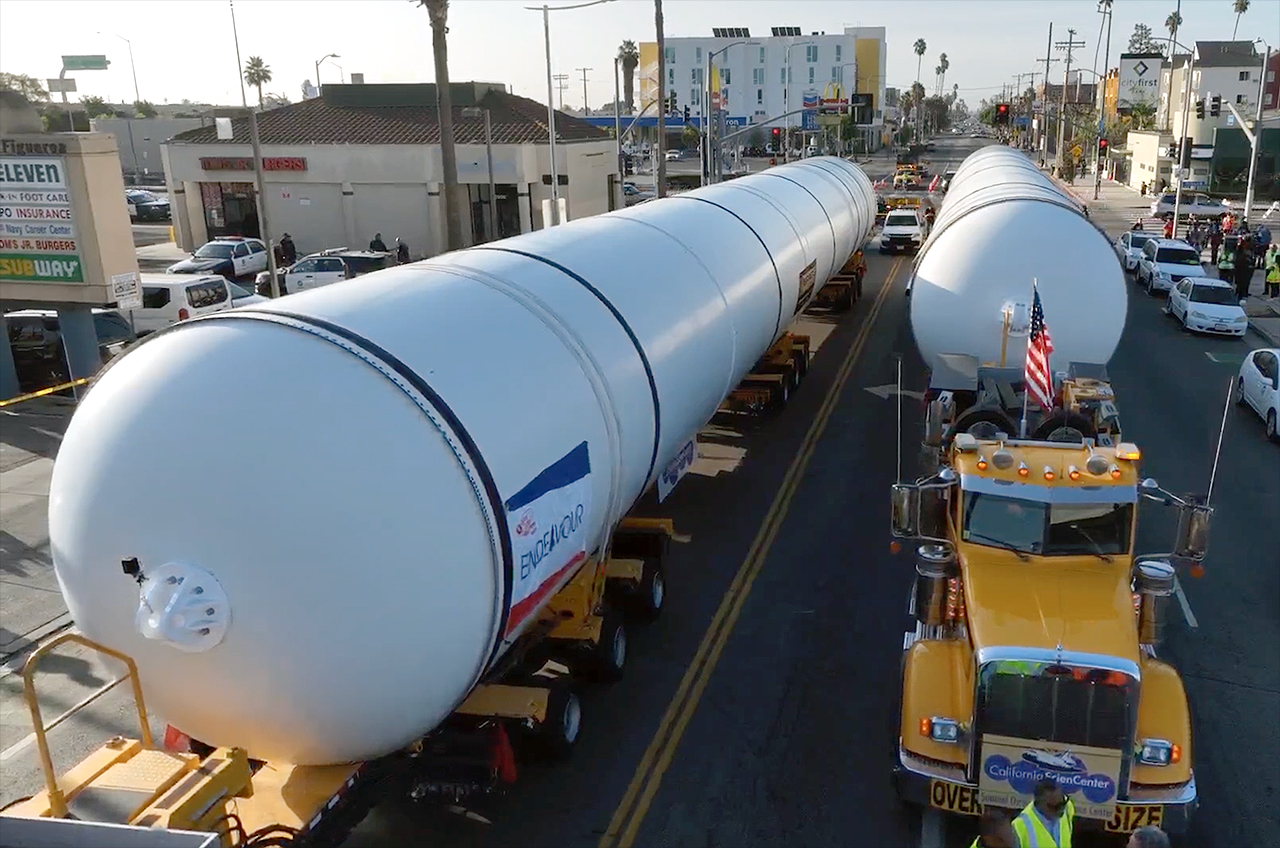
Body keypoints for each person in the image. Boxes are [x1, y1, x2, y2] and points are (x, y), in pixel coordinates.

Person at [1012, 777, 1074, 848]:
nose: (1060, 810)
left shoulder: (1067, 808)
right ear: (1040, 803)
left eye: (1062, 803)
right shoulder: (1020, 827)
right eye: (1055, 807)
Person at [1234, 235, 1256, 300]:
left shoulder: (1243, 248)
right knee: (1244, 281)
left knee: (1242, 281)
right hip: (1244, 267)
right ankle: (1242, 292)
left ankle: (1242, 292)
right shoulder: (1244, 248)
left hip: (1243, 267)